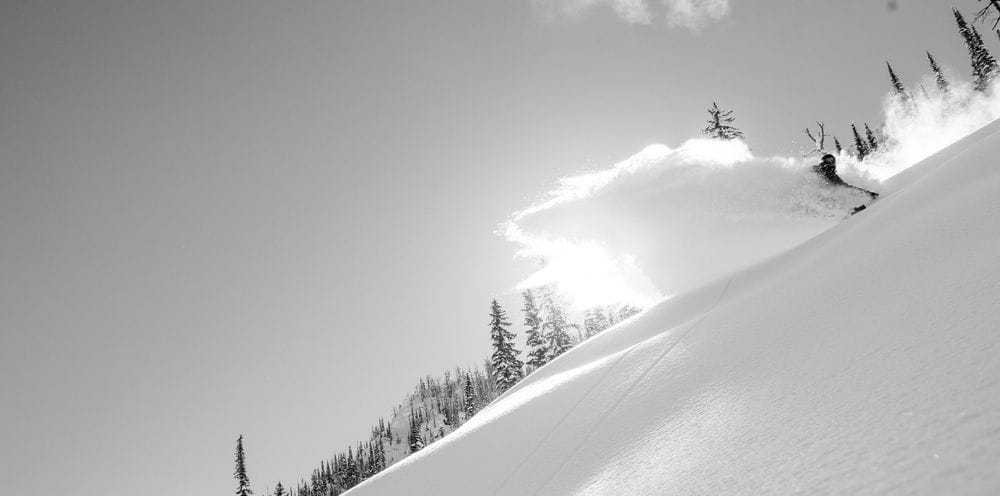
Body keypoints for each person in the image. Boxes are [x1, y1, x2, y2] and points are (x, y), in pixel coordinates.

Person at [813, 153, 879, 199]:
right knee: (843, 188)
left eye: (832, 160)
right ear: (824, 161)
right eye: (828, 160)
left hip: (824, 192)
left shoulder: (830, 172)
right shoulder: (824, 169)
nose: (830, 162)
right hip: (822, 192)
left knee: (843, 189)